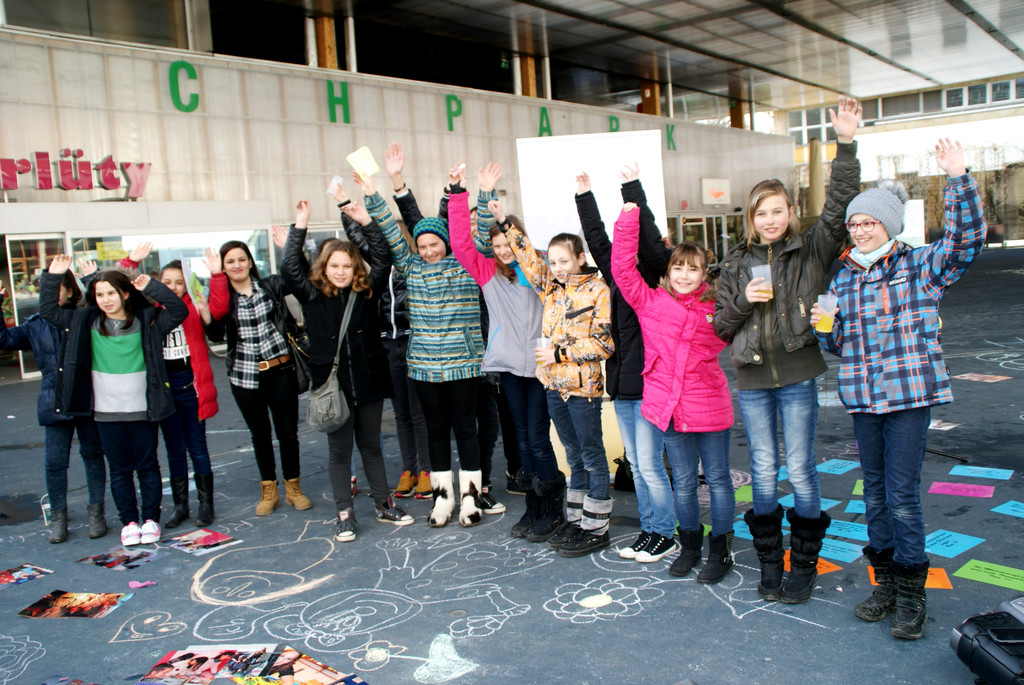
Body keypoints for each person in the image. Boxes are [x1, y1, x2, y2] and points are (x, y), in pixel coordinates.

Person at [812, 138, 985, 639]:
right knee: (875, 497)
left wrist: (958, 177)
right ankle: (885, 583)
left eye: (869, 222)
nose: (860, 231)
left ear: (889, 225)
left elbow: (966, 240)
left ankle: (913, 594)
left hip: (909, 396)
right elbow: (835, 344)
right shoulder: (842, 279)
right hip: (864, 400)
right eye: (854, 224)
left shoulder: (921, 266)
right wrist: (825, 323)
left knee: (902, 496)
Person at [714, 96, 862, 603]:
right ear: (751, 218)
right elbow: (720, 326)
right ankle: (769, 565)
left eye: (778, 211)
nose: (770, 219)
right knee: (761, 468)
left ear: (791, 212)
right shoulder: (734, 262)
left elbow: (840, 205)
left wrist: (845, 145)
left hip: (798, 374)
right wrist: (742, 300)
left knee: (798, 467)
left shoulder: (812, 249)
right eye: (762, 213)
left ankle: (803, 565)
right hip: (753, 378)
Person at [613, 202, 736, 582]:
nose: (684, 274)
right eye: (678, 267)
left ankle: (721, 550)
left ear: (704, 274)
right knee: (682, 480)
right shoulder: (651, 302)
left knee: (716, 479)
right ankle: (690, 546)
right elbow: (621, 267)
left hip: (710, 407)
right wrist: (628, 218)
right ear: (668, 271)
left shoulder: (718, 308)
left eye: (692, 268)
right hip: (668, 408)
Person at [281, 196, 412, 541]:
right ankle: (345, 514)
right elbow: (289, 269)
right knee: (339, 452)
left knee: (371, 447)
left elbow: (383, 258)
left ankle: (385, 505)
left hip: (368, 385)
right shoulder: (311, 296)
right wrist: (301, 224)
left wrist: (366, 222)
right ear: (324, 268)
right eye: (334, 265)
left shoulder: (367, 293)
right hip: (332, 388)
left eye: (347, 266)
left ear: (356, 269)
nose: (340, 271)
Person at [362, 162, 485, 528]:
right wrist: (374, 191)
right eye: (423, 245)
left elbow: (473, 235)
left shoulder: (465, 265)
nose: (429, 250)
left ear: (446, 242)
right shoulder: (411, 267)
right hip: (424, 367)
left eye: (435, 244)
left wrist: (473, 192)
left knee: (466, 430)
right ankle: (442, 499)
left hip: (464, 364)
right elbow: (390, 227)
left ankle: (471, 499)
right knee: (435, 432)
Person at [39, 256, 187, 546]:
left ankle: (150, 520)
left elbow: (179, 310)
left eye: (111, 293)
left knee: (147, 466)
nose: (106, 300)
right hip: (106, 412)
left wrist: (153, 287)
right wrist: (53, 277)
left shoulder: (148, 321)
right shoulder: (87, 321)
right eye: (99, 294)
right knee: (119, 471)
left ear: (125, 293)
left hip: (143, 409)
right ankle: (129, 522)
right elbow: (48, 311)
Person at [451, 188, 564, 541]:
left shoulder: (537, 267)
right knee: (524, 440)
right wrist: (458, 195)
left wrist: (504, 222)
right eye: (496, 246)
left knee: (538, 440)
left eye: (507, 245)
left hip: (542, 367)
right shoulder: (487, 272)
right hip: (510, 369)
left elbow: (532, 259)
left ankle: (552, 509)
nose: (502, 252)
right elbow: (459, 243)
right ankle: (534, 507)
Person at [503, 203, 615, 558]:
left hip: (583, 390)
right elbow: (526, 257)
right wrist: (506, 223)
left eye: (564, 260)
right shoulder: (549, 288)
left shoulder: (597, 290)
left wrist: (561, 355)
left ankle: (597, 527)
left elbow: (603, 343)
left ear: (580, 258)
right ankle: (577, 518)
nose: (557, 268)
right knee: (573, 457)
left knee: (593, 457)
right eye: (553, 262)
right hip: (554, 388)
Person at [576, 166, 675, 563]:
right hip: (621, 385)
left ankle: (663, 532)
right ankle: (650, 528)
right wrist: (585, 195)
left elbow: (649, 237)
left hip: (649, 384)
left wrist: (632, 191)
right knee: (637, 464)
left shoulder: (650, 274)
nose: (621, 244)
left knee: (651, 465)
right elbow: (597, 237)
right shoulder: (617, 275)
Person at [205, 240, 311, 516]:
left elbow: (304, 276)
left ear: (250, 261)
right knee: (260, 435)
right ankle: (269, 490)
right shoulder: (222, 297)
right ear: (223, 267)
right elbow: (215, 335)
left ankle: (293, 488)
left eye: (241, 259)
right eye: (230, 262)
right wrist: (209, 306)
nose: (237, 265)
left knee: (288, 433)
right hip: (244, 376)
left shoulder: (271, 285)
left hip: (281, 370)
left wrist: (290, 248)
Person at [1, 274, 108, 543]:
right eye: (42, 290)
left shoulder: (84, 317)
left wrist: (92, 277)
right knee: (55, 463)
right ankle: (59, 519)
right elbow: (4, 340)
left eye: (55, 288)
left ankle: (97, 514)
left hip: (86, 397)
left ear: (70, 291)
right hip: (54, 400)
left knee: (93, 455)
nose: (46, 294)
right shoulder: (35, 325)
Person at [155, 260, 218, 529]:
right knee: (174, 449)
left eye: (179, 282)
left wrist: (205, 308)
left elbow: (215, 328)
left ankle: (206, 504)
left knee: (197, 446)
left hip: (190, 385)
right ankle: (180, 505)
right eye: (167, 282)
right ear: (158, 283)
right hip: (166, 386)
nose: (173, 287)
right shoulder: (152, 312)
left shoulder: (193, 307)